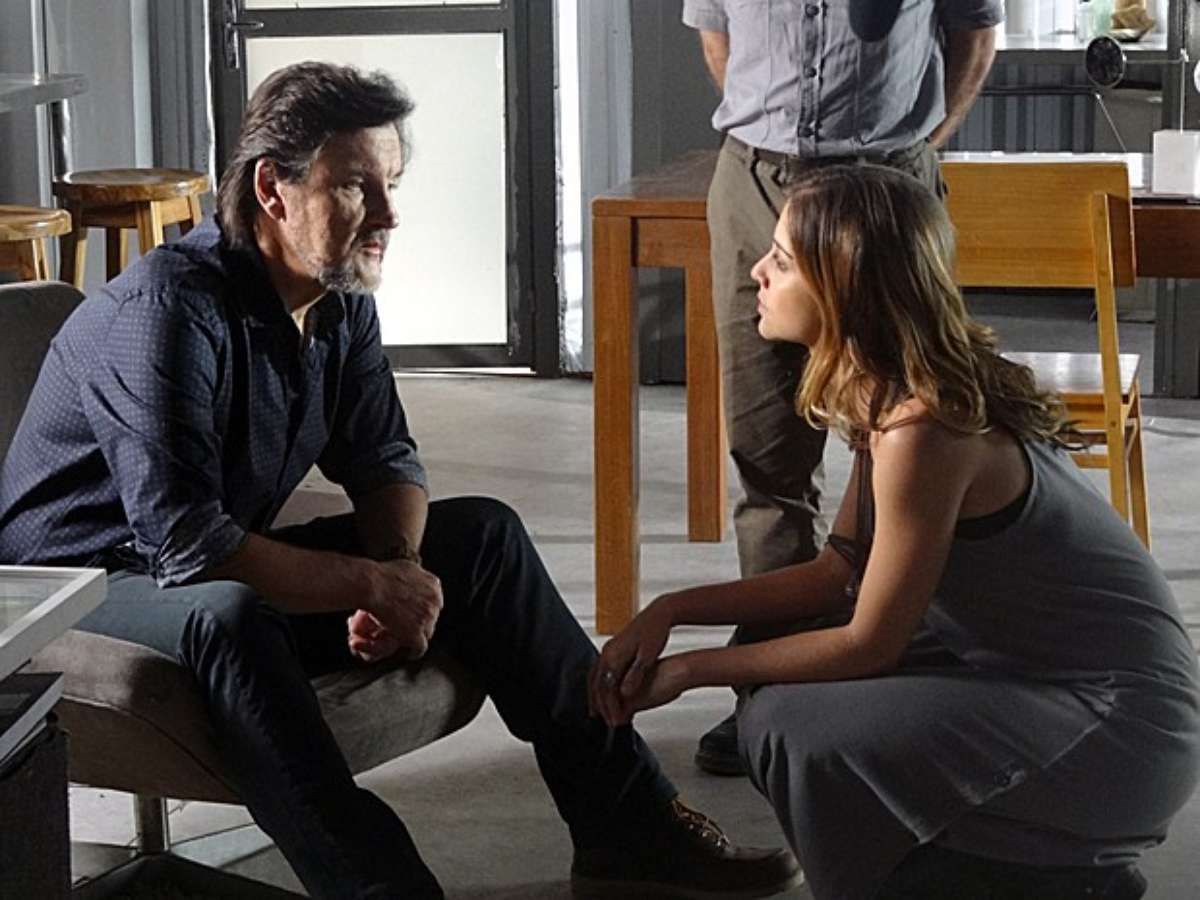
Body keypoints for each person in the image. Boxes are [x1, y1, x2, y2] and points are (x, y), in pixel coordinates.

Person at [0, 62, 802, 900]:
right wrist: (363, 584)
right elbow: (187, 545)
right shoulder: (166, 313)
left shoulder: (336, 294)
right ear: (272, 189)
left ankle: (629, 829)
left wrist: (398, 570)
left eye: (393, 184)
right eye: (356, 187)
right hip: (75, 587)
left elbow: (383, 456)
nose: (388, 214)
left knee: (484, 537)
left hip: (200, 565)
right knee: (227, 614)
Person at [589, 165, 1200, 900]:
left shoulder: (923, 429)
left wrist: (691, 670)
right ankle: (1013, 873)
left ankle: (1049, 873)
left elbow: (868, 642)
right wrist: (671, 610)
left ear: (843, 286)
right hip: (1049, 677)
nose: (758, 272)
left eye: (783, 260)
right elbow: (837, 572)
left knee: (789, 723)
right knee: (777, 684)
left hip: (1120, 727)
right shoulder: (891, 392)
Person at [681, 0, 1005, 775]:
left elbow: (975, 33)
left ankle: (895, 663)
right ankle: (772, 683)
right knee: (766, 452)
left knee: (907, 424)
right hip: (756, 179)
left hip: (884, 182)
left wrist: (918, 149)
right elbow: (717, 37)